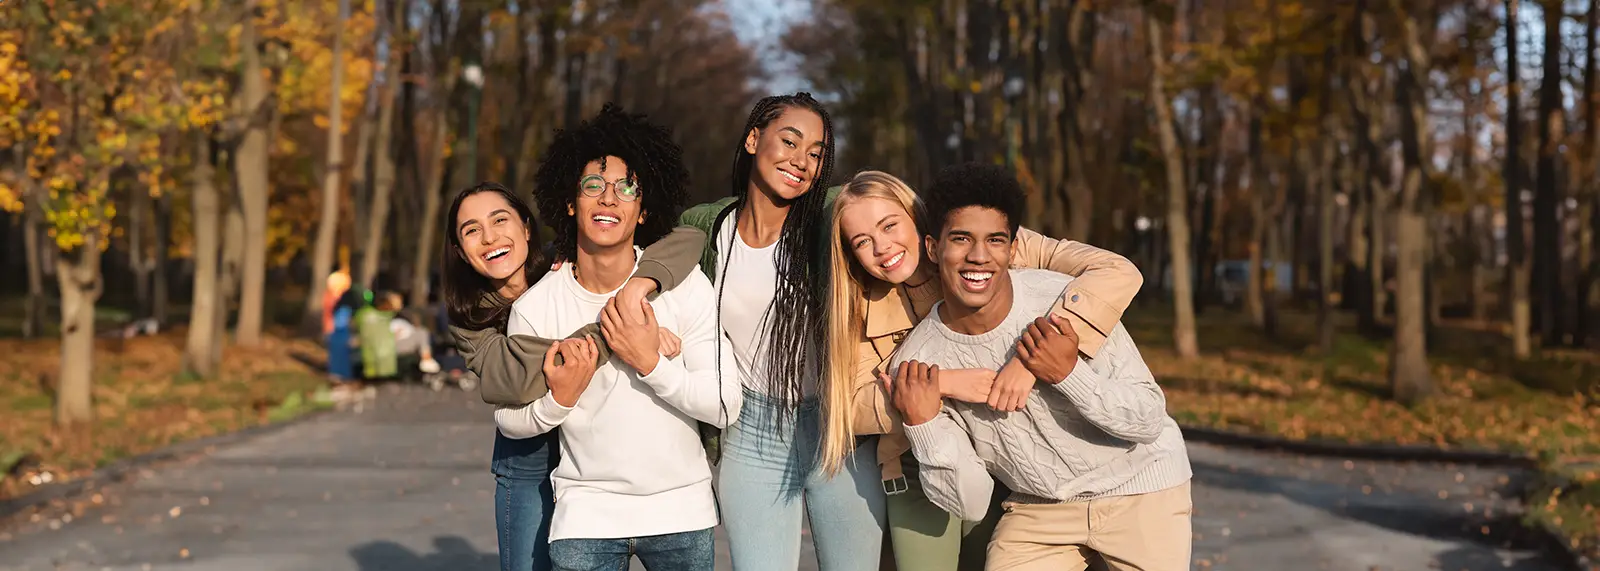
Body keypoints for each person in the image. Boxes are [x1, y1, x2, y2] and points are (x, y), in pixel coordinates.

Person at [819, 170, 1145, 571]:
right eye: (862, 242)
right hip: (917, 461)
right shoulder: (855, 304)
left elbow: (1116, 272)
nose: (882, 248)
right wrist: (943, 384)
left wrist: (1033, 360)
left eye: (889, 226)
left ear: (916, 218)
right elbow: (848, 405)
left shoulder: (987, 245)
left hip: (1006, 458)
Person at [886, 163, 1193, 571]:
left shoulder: (1064, 300)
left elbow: (1149, 418)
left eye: (995, 240)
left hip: (1140, 488)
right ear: (932, 248)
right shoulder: (920, 361)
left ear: (1012, 250)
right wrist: (923, 426)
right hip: (1039, 509)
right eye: (961, 239)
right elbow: (973, 502)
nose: (978, 256)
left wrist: (1070, 375)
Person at [493, 104, 739, 571]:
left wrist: (652, 363)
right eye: (593, 186)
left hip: (681, 514)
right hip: (585, 518)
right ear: (571, 202)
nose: (609, 199)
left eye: (627, 188)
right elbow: (510, 418)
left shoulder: (685, 285)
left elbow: (726, 404)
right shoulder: (536, 307)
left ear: (643, 210)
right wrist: (558, 401)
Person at [439, 180, 707, 571]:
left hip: (596, 457)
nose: (489, 237)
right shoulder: (469, 317)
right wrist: (625, 331)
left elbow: (687, 240)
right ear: (461, 252)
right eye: (472, 231)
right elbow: (511, 379)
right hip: (528, 456)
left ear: (527, 228)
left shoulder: (566, 261)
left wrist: (636, 290)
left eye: (500, 220)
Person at [677, 92, 885, 570]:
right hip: (754, 431)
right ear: (753, 139)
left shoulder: (829, 220)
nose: (802, 161)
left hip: (839, 429)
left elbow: (895, 223)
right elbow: (651, 259)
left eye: (816, 153)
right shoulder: (709, 227)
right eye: (790, 141)